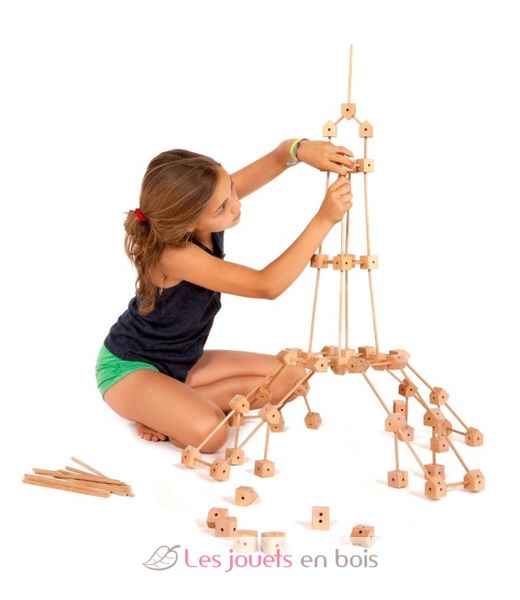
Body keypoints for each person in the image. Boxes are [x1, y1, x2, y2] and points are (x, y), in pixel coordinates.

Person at [95, 138, 354, 453]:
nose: (235, 204)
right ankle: (160, 408)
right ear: (187, 221)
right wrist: (324, 219)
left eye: (231, 188)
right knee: (212, 434)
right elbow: (266, 285)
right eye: (222, 207)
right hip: (130, 368)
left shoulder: (207, 205)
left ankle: (168, 406)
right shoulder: (174, 255)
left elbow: (276, 158)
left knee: (293, 378)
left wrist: (298, 149)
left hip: (182, 362)